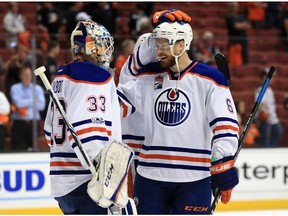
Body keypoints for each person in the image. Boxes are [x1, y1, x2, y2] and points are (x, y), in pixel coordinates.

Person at [117, 9, 239, 214]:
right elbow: (115, 106)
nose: (159, 51)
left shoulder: (210, 80)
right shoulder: (147, 76)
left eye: (164, 44)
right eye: (157, 45)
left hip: (194, 179)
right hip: (150, 178)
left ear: (181, 45)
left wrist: (222, 162)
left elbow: (225, 125)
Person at [43, 19, 126, 214]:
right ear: (91, 47)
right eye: (103, 45)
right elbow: (87, 131)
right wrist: (108, 180)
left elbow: (49, 133)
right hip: (88, 182)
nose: (107, 51)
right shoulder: (93, 75)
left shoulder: (61, 77)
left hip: (63, 184)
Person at [10, 64, 45, 151]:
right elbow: (18, 104)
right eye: (25, 75)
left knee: (33, 149)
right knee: (17, 150)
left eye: (29, 75)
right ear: (20, 76)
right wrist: (33, 100)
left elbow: (41, 106)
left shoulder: (37, 89)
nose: (27, 77)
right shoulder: (15, 88)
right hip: (19, 123)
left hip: (33, 124)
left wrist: (24, 102)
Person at [255, 68, 283, 147]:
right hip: (265, 119)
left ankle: (271, 148)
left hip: (272, 118)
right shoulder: (260, 89)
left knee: (278, 131)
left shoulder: (270, 90)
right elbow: (261, 105)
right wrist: (265, 114)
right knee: (265, 138)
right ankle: (265, 151)